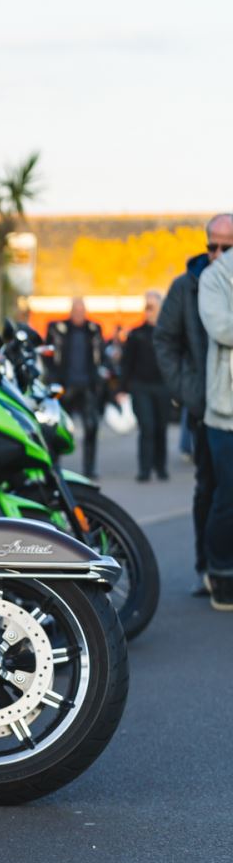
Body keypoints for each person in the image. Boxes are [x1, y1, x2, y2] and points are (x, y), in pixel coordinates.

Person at [156, 214, 233, 596]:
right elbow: (165, 342)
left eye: (226, 246)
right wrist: (189, 392)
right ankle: (209, 567)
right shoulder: (184, 287)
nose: (217, 253)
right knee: (210, 487)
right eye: (212, 246)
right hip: (206, 405)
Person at [195, 235, 233, 610]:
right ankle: (219, 572)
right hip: (224, 411)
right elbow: (222, 329)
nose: (219, 250)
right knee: (226, 496)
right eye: (213, 243)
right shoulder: (213, 278)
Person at [47, 297, 106, 478]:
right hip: (65, 386)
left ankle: (89, 468)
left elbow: (101, 356)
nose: (79, 314)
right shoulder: (58, 329)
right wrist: (53, 378)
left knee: (91, 427)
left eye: (81, 311)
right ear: (71, 311)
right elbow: (48, 353)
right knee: (59, 429)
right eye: (76, 311)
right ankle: (54, 466)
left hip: (87, 385)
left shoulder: (93, 330)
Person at [120, 290, 170, 481]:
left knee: (161, 428)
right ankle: (145, 469)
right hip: (141, 386)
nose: (149, 311)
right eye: (146, 307)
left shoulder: (168, 333)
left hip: (163, 386)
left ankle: (161, 467)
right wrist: (122, 388)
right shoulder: (136, 334)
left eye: (152, 306)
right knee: (147, 427)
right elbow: (127, 363)